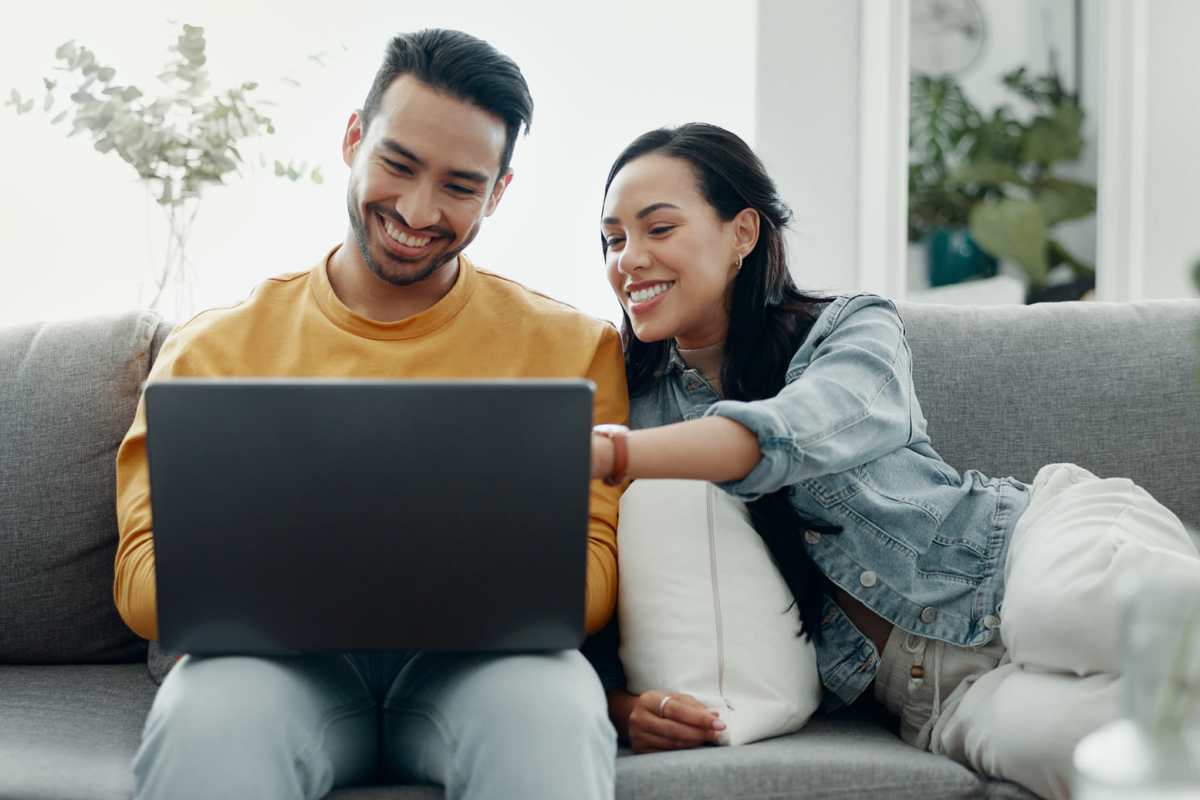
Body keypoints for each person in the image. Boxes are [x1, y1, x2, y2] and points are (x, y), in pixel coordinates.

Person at [584, 122, 1200, 799]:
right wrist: (623, 713)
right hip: (939, 694)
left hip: (1018, 553)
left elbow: (793, 431)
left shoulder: (850, 328)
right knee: (1126, 756)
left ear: (743, 233)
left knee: (1124, 625)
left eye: (658, 229)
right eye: (614, 240)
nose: (628, 259)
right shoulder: (628, 402)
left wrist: (611, 453)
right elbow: (596, 612)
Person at [114, 29, 627, 800]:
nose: (418, 210)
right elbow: (146, 587)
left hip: (485, 672)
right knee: (206, 723)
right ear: (354, 139)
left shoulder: (574, 348)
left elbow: (588, 580)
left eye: (460, 185)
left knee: (552, 714)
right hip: (274, 672)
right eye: (398, 164)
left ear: (498, 192)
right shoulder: (210, 350)